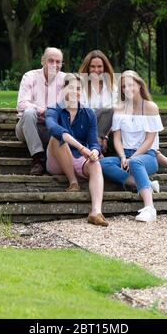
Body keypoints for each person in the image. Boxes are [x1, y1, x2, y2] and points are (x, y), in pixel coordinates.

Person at [79, 50, 167, 173]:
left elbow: (117, 115)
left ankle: (161, 163)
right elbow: (82, 115)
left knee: (114, 114)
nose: (96, 70)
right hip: (88, 131)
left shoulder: (113, 87)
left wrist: (105, 136)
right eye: (93, 66)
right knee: (103, 111)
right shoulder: (81, 86)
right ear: (87, 68)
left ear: (105, 68)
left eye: (100, 66)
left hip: (110, 132)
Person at [45, 73, 108, 227]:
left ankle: (96, 212)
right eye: (71, 87)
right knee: (57, 138)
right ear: (63, 89)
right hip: (57, 161)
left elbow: (94, 142)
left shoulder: (88, 113)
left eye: (78, 88)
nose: (75, 92)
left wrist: (94, 151)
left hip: (79, 160)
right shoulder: (53, 109)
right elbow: (54, 129)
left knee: (96, 164)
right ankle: (73, 182)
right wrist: (81, 147)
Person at [100, 70, 163, 222]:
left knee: (135, 162)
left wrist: (132, 158)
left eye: (130, 85)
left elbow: (149, 140)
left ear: (139, 85)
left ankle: (150, 209)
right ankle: (145, 183)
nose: (127, 89)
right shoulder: (120, 108)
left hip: (147, 155)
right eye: (123, 87)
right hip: (125, 155)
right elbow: (117, 138)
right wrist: (122, 156)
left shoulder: (151, 107)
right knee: (102, 163)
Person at [16, 47, 65, 175]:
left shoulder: (66, 80)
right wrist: (43, 111)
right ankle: (38, 160)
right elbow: (21, 104)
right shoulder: (30, 76)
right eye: (51, 61)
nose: (54, 65)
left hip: (51, 128)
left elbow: (71, 107)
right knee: (29, 112)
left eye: (58, 62)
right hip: (27, 127)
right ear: (43, 61)